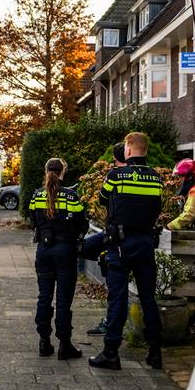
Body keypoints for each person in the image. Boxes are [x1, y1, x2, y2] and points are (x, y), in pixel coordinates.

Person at [89, 131, 164, 372]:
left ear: (128, 151)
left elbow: (102, 200)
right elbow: (157, 205)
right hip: (145, 244)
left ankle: (111, 352)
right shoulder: (156, 179)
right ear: (146, 150)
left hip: (120, 245)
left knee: (118, 298)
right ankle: (155, 353)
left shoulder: (116, 176)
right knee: (148, 299)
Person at [29, 158, 88, 360]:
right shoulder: (71, 196)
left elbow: (33, 221)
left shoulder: (37, 195)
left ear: (46, 171)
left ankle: (44, 342)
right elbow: (83, 223)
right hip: (65, 252)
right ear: (62, 172)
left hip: (43, 252)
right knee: (63, 300)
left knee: (44, 296)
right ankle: (65, 345)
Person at [80, 142, 129, 336]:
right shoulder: (150, 177)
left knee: (117, 291)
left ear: (117, 160)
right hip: (137, 240)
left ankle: (111, 332)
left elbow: (102, 199)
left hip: (117, 239)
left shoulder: (115, 176)